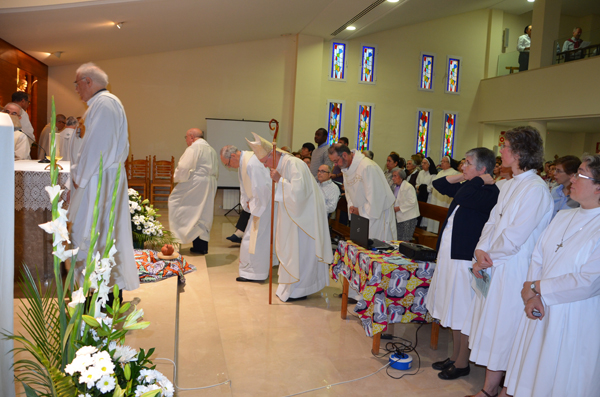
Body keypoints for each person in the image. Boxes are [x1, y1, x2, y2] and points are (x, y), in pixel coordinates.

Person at [462, 126, 553, 397]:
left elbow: (515, 237)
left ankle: (505, 391)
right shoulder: (510, 185)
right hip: (495, 265)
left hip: (514, 268)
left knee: (507, 330)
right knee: (493, 328)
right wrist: (480, 251)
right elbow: (493, 222)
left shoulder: (535, 190)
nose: (500, 150)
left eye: (505, 146)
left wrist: (487, 259)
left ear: (520, 152)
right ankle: (489, 388)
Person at [503, 154, 600, 397]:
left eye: (581, 174)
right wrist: (532, 293)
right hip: (540, 307)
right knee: (532, 372)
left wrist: (537, 287)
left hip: (574, 315)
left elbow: (589, 282)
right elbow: (538, 256)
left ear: (598, 187)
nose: (573, 179)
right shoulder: (565, 215)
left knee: (560, 379)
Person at [425, 148, 499, 381]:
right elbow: (440, 185)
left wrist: (475, 180)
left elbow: (463, 198)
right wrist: (469, 176)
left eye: (467, 163)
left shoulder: (489, 191)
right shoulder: (472, 184)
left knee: (462, 309)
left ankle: (462, 362)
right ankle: (455, 355)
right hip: (450, 256)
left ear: (483, 169)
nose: (462, 166)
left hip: (465, 257)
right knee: (451, 304)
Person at [68, 62, 139, 294]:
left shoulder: (105, 104)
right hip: (100, 175)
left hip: (100, 179)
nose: (76, 89)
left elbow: (97, 147)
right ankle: (98, 288)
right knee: (97, 230)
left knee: (94, 230)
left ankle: (99, 291)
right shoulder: (100, 104)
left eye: (77, 84)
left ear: (88, 81)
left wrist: (78, 176)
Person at [247, 132, 332, 302]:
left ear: (272, 154)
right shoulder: (284, 164)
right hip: (294, 215)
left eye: (265, 162)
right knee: (292, 250)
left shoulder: (294, 164)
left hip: (303, 218)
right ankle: (290, 286)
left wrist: (280, 181)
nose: (265, 166)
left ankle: (300, 289)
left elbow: (300, 194)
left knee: (300, 251)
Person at [219, 145, 277, 282]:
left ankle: (254, 273)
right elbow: (247, 187)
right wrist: (248, 203)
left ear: (233, 156)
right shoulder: (245, 162)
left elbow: (263, 187)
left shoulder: (252, 163)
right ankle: (253, 272)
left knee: (254, 239)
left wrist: (254, 203)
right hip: (259, 205)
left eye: (227, 164)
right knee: (253, 239)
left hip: (263, 206)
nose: (229, 167)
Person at [328, 144, 397, 241]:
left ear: (344, 155)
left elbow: (376, 198)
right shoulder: (347, 169)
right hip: (361, 214)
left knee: (377, 248)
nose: (335, 165)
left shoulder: (367, 167)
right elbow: (349, 191)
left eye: (335, 161)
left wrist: (360, 210)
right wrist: (352, 207)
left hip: (378, 215)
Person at [169, 128, 218, 254]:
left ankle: (179, 238)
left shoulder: (194, 148)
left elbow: (184, 167)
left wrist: (177, 178)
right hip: (210, 183)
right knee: (203, 213)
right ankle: (200, 246)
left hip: (197, 182)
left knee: (176, 203)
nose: (186, 140)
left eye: (186, 137)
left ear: (191, 136)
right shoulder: (211, 149)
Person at [427, 156, 460, 232]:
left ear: (449, 163)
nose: (442, 163)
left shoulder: (454, 173)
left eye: (444, 161)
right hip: (436, 197)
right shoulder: (440, 172)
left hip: (445, 199)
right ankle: (434, 230)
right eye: (441, 161)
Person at [391, 168, 419, 241]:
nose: (393, 178)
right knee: (398, 238)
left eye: (395, 176)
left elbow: (412, 202)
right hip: (400, 216)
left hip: (408, 217)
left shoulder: (408, 187)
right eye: (392, 176)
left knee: (405, 239)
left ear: (401, 177)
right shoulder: (395, 187)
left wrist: (398, 208)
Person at [550, 155, 581, 219]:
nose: (554, 173)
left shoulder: (579, 196)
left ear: (571, 175)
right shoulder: (554, 191)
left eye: (558, 171)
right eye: (555, 170)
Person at [415, 157, 437, 229]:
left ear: (429, 165)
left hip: (429, 197)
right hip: (420, 196)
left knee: (425, 217)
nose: (422, 164)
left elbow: (431, 188)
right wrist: (419, 187)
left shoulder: (433, 174)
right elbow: (417, 183)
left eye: (425, 163)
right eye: (422, 163)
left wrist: (422, 187)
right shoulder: (421, 172)